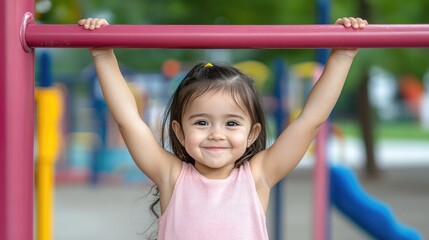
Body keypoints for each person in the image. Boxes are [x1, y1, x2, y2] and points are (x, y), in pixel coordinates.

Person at [78, 17, 367, 239]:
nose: (216, 133)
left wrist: (342, 57)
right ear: (178, 132)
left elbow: (310, 119)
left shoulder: (258, 176)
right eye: (202, 122)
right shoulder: (172, 176)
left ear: (252, 133)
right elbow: (128, 120)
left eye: (231, 123)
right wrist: (103, 55)